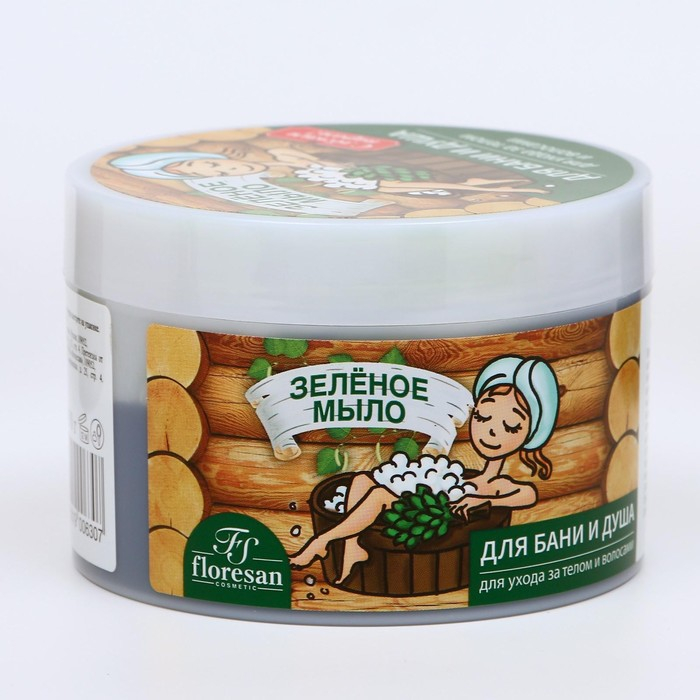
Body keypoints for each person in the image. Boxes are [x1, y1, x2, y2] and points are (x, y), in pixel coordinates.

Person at [289, 355, 560, 584]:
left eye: (510, 426)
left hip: (432, 521)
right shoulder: (467, 477)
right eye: (482, 416)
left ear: (531, 433)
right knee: (360, 479)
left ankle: (321, 541)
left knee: (380, 495)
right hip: (418, 504)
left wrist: (483, 500)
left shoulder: (498, 485)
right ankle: (352, 548)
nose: (490, 430)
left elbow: (528, 494)